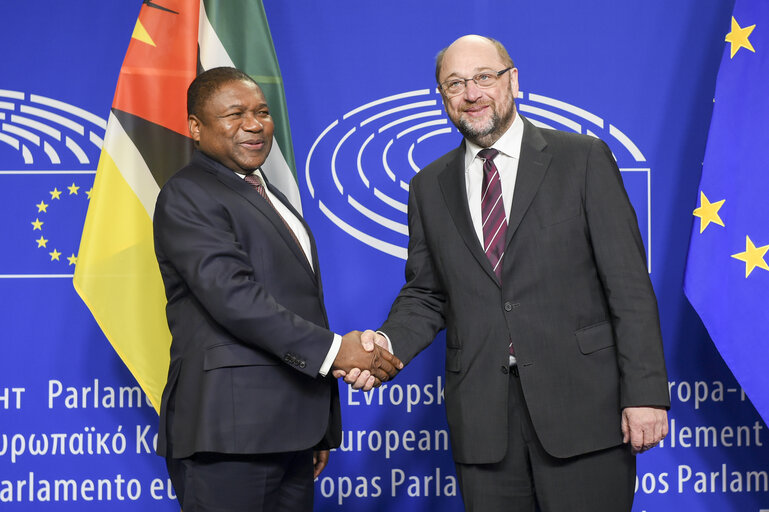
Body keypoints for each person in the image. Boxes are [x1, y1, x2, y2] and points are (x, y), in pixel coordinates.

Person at [345, 35, 670, 511]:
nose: (471, 93)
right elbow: (427, 293)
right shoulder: (428, 186)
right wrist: (386, 345)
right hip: (484, 420)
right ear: (442, 98)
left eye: (483, 77)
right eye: (454, 83)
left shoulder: (582, 159)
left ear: (512, 80)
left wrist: (645, 394)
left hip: (583, 410)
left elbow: (628, 286)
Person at [153, 67, 402, 512]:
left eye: (262, 112)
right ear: (195, 127)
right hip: (231, 436)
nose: (254, 124)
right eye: (234, 114)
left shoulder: (267, 195)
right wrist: (336, 352)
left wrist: (313, 425)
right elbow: (235, 298)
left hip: (289, 433)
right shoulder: (188, 193)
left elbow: (292, 300)